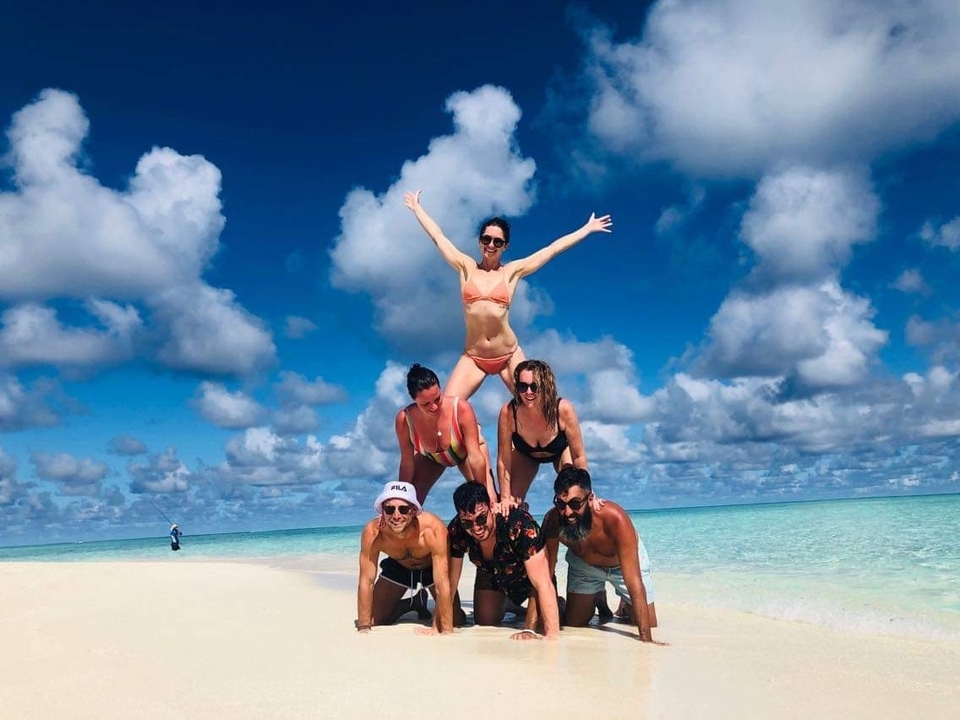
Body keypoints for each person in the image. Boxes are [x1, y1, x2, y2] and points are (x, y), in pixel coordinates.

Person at [404, 190, 612, 399]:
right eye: (486, 239)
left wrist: (587, 229)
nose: (491, 245)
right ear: (480, 241)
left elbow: (552, 249)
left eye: (497, 241)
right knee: (449, 409)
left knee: (538, 406)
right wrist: (417, 208)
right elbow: (438, 237)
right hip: (473, 356)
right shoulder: (465, 266)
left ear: (505, 246)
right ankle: (477, 433)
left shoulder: (512, 271)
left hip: (508, 355)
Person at [542, 467, 660, 643]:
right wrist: (531, 627)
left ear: (590, 499)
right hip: (584, 566)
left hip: (623, 566)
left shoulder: (615, 518)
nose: (567, 512)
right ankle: (597, 596)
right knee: (574, 624)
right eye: (561, 504)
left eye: (575, 504)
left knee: (649, 624)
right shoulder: (553, 521)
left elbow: (634, 582)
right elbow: (544, 575)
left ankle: (624, 607)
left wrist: (647, 641)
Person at [446, 481, 560, 641]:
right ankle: (509, 604)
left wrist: (552, 636)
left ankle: (557, 603)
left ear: (492, 507)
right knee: (485, 622)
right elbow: (451, 582)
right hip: (491, 573)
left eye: (481, 519)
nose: (476, 528)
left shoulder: (519, 525)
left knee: (546, 623)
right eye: (467, 522)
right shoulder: (458, 530)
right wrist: (441, 627)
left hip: (528, 578)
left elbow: (543, 582)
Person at [356, 481, 453, 634]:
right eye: (389, 509)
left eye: (403, 509)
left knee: (456, 620)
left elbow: (443, 582)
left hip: (430, 568)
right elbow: (366, 581)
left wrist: (447, 631)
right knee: (375, 620)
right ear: (382, 511)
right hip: (399, 566)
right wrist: (363, 627)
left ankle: (422, 604)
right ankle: (412, 603)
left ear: (413, 510)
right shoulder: (373, 533)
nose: (396, 516)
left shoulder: (433, 530)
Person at [395, 364, 496, 506]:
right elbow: (407, 463)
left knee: (488, 503)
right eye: (426, 404)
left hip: (468, 453)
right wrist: (400, 498)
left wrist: (483, 492)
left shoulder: (461, 408)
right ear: (414, 400)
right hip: (432, 459)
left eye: (437, 399)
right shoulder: (404, 420)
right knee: (408, 506)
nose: (434, 407)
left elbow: (475, 457)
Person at [496, 359, 587, 508]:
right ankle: (524, 513)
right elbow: (503, 461)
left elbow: (579, 457)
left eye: (535, 386)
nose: (529, 392)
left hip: (560, 452)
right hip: (525, 455)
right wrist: (505, 498)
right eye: (522, 386)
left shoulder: (563, 409)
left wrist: (587, 493)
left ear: (545, 386)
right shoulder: (508, 412)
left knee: (572, 492)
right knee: (512, 502)